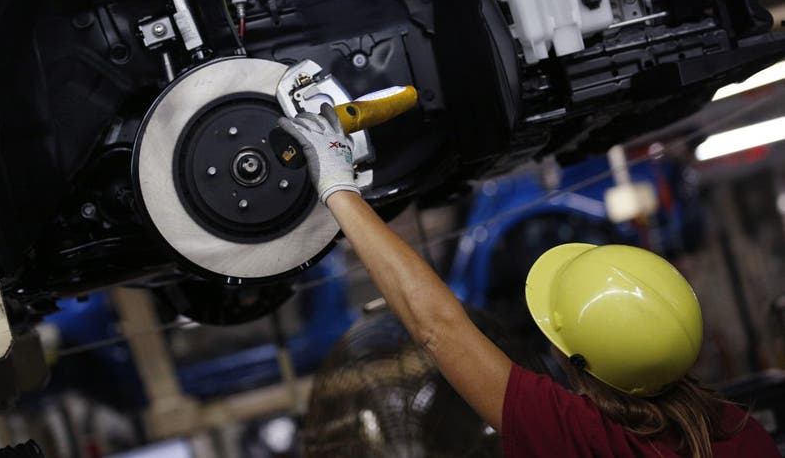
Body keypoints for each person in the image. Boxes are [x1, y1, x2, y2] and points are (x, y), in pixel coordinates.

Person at [278, 107, 779, 458]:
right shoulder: (743, 435)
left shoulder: (585, 438)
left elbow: (439, 329)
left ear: (576, 360)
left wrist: (337, 185)